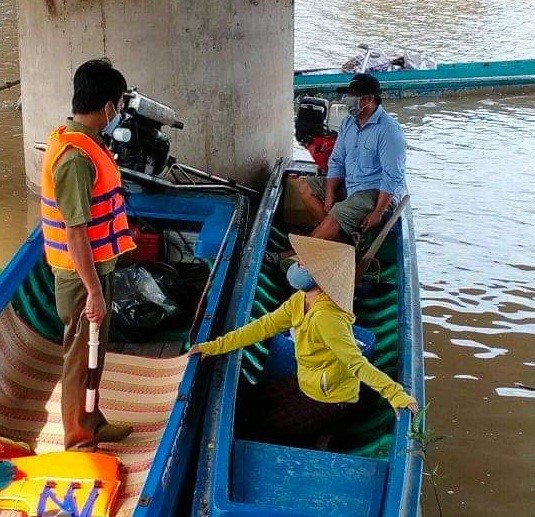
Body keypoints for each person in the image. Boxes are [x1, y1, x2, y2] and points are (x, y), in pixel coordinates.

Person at [189, 234, 418, 444]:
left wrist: (395, 394)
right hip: (306, 382)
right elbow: (264, 326)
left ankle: (326, 431)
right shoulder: (300, 300)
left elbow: (355, 363)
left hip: (330, 401)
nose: (296, 265)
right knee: (247, 403)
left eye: (302, 264)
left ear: (319, 277)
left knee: (259, 426)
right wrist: (215, 346)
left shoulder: (327, 317)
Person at [40, 58, 137, 452]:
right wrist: (94, 292)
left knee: (94, 352)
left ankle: (93, 421)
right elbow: (75, 232)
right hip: (82, 278)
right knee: (80, 358)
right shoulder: (76, 159)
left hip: (96, 271)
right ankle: (79, 440)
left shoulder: (82, 141)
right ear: (110, 108)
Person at [267, 73, 407, 266]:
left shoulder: (389, 131)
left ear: (369, 99)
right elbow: (337, 160)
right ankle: (344, 244)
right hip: (350, 183)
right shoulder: (348, 123)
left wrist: (378, 212)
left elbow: (392, 176)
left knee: (338, 213)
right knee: (305, 188)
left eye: (353, 95)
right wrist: (331, 192)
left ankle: (294, 254)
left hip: (375, 191)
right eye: (348, 94)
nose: (348, 100)